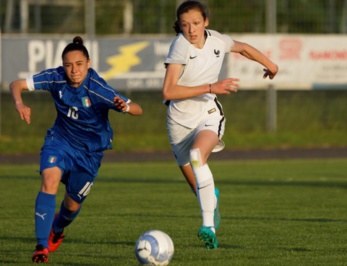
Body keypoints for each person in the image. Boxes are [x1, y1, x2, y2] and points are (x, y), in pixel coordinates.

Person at [10, 36, 142, 263]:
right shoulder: (56, 78)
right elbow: (17, 84)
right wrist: (19, 103)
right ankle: (41, 246)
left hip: (90, 154)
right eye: (68, 65)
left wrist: (126, 106)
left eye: (79, 64)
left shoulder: (98, 89)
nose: (74, 70)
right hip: (60, 141)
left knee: (71, 206)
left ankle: (58, 228)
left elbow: (138, 110)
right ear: (63, 66)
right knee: (49, 179)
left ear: (88, 64)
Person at [162, 0, 278, 249]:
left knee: (197, 155)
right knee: (200, 190)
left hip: (208, 113)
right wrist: (211, 87)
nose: (191, 29)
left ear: (206, 21)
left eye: (195, 23)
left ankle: (208, 227)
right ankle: (211, 202)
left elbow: (244, 48)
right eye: (185, 25)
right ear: (179, 27)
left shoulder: (216, 40)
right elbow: (169, 90)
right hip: (178, 122)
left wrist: (271, 65)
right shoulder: (180, 47)